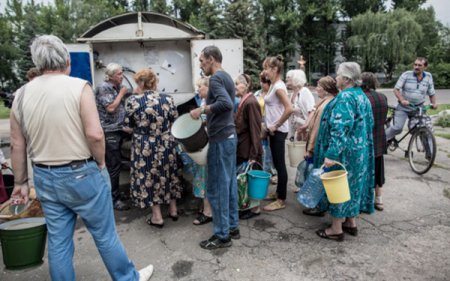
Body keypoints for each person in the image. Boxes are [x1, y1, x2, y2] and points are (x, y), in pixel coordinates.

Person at [9, 35, 153, 280]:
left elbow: (16, 144)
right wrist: (100, 162)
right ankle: (128, 278)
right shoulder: (79, 86)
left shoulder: (21, 95)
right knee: (105, 234)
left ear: (38, 61)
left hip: (44, 175)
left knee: (58, 241)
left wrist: (21, 182)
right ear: (67, 60)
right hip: (81, 172)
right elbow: (95, 135)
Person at [313, 62, 374, 241]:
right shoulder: (361, 96)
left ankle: (336, 228)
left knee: (338, 187)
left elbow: (340, 128)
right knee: (353, 186)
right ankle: (350, 222)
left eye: (338, 75)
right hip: (359, 152)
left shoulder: (345, 97)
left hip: (344, 153)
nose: (336, 78)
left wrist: (331, 154)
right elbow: (369, 124)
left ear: (346, 79)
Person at [190, 45, 239, 250]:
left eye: (202, 60)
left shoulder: (217, 78)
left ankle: (221, 235)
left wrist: (201, 109)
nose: (200, 64)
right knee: (228, 184)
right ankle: (232, 226)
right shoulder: (227, 77)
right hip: (229, 136)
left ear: (211, 59)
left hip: (221, 139)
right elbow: (228, 104)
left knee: (217, 187)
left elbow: (226, 104)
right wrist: (205, 116)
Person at [123, 69, 182, 228]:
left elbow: (127, 127)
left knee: (149, 177)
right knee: (168, 173)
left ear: (141, 83)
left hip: (145, 145)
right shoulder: (168, 99)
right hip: (166, 143)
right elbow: (175, 121)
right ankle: (173, 209)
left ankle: (157, 217)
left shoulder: (133, 101)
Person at [95, 63, 130, 211]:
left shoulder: (114, 88)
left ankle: (115, 194)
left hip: (117, 129)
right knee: (113, 166)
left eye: (122, 73)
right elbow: (110, 108)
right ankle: (113, 199)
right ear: (110, 76)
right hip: (109, 131)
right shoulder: (104, 88)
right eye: (119, 74)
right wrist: (122, 94)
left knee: (116, 164)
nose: (122, 76)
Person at [261, 55, 293, 211]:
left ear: (274, 69)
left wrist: (276, 125)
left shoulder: (279, 87)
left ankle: (281, 199)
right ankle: (278, 193)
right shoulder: (274, 85)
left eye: (266, 68)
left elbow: (289, 108)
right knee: (276, 163)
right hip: (273, 131)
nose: (264, 71)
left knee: (280, 165)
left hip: (279, 132)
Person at [300, 76, 338, 199]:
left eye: (318, 87)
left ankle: (317, 203)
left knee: (317, 175)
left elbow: (316, 129)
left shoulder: (324, 105)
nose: (316, 89)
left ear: (326, 89)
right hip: (320, 144)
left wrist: (310, 149)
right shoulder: (326, 101)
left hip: (318, 145)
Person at [386, 57, 437, 142]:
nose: (416, 67)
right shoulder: (406, 74)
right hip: (403, 107)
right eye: (415, 64)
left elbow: (431, 93)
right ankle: (380, 142)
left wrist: (433, 103)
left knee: (424, 128)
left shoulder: (428, 76)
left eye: (419, 65)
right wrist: (402, 100)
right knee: (397, 128)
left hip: (418, 108)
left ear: (425, 67)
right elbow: (396, 89)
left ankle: (430, 153)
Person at [234, 74, 263, 219]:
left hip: (248, 149)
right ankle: (248, 206)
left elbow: (255, 130)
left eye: (238, 83)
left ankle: (255, 209)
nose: (235, 86)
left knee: (251, 178)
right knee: (245, 179)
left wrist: (254, 154)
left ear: (247, 85)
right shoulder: (243, 101)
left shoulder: (251, 102)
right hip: (242, 147)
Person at [362, 72, 388, 211]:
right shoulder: (382, 97)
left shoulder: (362, 98)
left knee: (365, 171)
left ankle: (365, 200)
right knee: (379, 170)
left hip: (366, 140)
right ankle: (379, 200)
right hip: (379, 138)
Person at [191, 77, 213, 226]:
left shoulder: (210, 104)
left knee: (205, 178)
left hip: (207, 146)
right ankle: (204, 207)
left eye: (200, 87)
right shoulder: (204, 102)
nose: (198, 89)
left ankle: (208, 212)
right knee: (201, 176)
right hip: (202, 145)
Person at [254, 71, 277, 184]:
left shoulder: (273, 94)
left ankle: (271, 172)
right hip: (259, 123)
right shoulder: (257, 94)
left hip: (270, 124)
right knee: (262, 149)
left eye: (263, 82)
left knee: (270, 150)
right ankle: (263, 171)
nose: (261, 84)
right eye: (261, 81)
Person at [286, 69, 315, 141]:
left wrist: (306, 125)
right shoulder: (293, 93)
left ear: (296, 79)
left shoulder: (304, 91)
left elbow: (312, 110)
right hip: (296, 131)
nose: (286, 80)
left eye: (289, 78)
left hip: (305, 130)